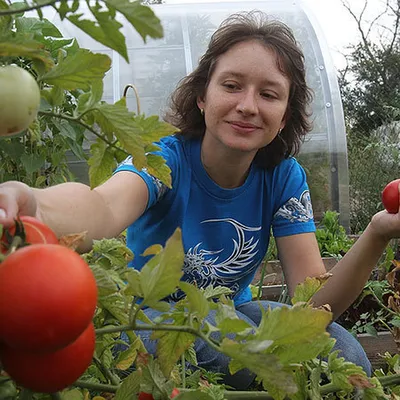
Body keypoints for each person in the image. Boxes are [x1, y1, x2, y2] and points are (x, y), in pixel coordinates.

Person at [0, 10, 398, 390]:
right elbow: (101, 208)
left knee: (346, 354)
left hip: (231, 315)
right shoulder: (164, 159)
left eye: (269, 94)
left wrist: (377, 232)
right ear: (202, 97)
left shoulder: (283, 176)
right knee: (217, 354)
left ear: (284, 115)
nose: (247, 105)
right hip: (148, 317)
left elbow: (312, 308)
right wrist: (34, 203)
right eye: (231, 85)